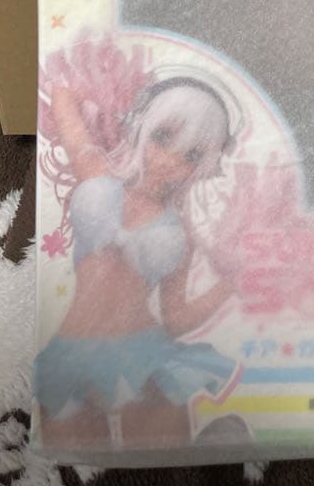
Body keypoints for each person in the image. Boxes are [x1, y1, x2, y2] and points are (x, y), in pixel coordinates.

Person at [35, 74, 242, 449]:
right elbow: (63, 98)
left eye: (191, 155)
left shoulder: (183, 234)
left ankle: (221, 447)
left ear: (204, 164)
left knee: (165, 460)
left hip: (145, 355)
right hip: (70, 352)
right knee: (75, 461)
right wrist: (119, 100)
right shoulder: (95, 170)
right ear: (143, 126)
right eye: (163, 137)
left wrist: (229, 285)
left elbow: (175, 317)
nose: (169, 161)